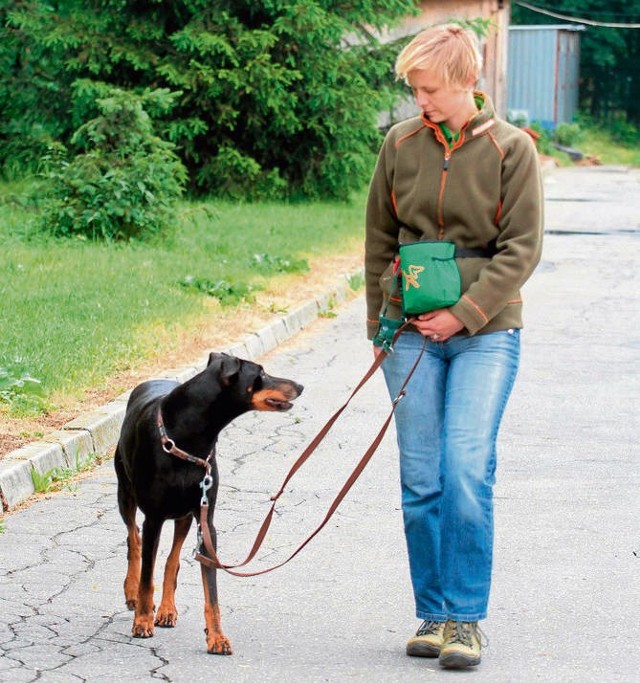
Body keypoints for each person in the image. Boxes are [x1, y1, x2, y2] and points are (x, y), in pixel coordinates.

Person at [365, 24, 543, 670]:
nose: (421, 103)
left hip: (487, 335)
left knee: (465, 468)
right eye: (415, 90)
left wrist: (463, 312)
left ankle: (467, 619)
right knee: (420, 478)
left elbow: (520, 251)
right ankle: (434, 611)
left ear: (466, 81)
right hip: (409, 337)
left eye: (430, 89)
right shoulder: (399, 145)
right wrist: (379, 332)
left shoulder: (511, 150)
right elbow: (379, 242)